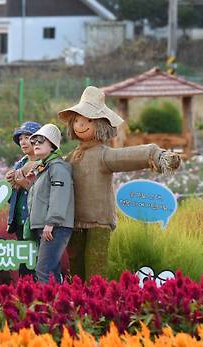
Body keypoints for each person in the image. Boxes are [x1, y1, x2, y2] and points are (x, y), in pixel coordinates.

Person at [57, 87, 181, 280]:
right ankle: (77, 303)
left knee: (95, 264)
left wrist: (157, 155)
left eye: (88, 120)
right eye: (78, 120)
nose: (81, 125)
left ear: (101, 125)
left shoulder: (103, 154)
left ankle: (97, 304)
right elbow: (54, 170)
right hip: (74, 221)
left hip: (99, 221)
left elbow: (128, 156)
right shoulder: (72, 156)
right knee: (76, 264)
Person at [26, 124, 74, 284]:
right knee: (51, 271)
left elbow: (60, 195)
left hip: (55, 227)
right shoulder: (45, 168)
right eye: (34, 142)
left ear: (52, 144)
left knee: (44, 270)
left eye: (41, 140)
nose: (36, 144)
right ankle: (58, 305)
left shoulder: (58, 167)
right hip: (47, 226)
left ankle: (48, 306)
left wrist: (51, 222)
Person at [5, 121, 41, 278]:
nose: (23, 142)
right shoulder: (20, 163)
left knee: (38, 260)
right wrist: (10, 182)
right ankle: (24, 294)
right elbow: (12, 195)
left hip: (35, 220)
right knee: (24, 261)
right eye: (20, 139)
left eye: (28, 137)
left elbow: (42, 193)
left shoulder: (43, 163)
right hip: (20, 220)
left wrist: (21, 182)